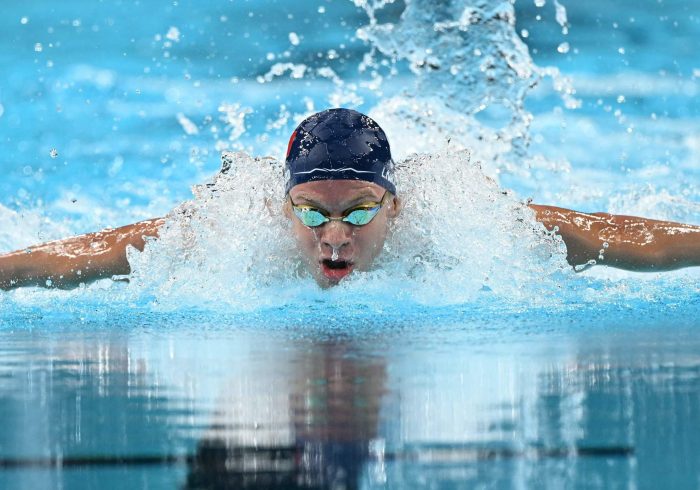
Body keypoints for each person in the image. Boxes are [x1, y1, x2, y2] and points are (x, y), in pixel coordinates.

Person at [1, 108, 699, 291]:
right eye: (312, 212)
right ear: (283, 208)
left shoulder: (465, 227)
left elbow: (614, 236)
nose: (334, 237)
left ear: (396, 206)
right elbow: (84, 256)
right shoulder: (230, 235)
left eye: (360, 210)